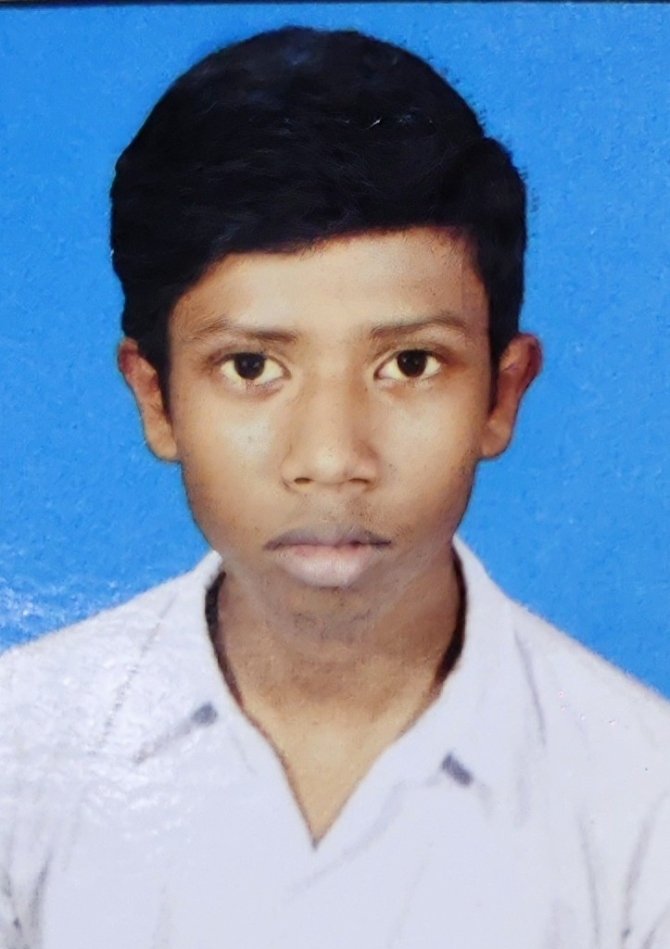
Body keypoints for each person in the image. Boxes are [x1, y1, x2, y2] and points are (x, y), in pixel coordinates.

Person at [1, 25, 668, 949]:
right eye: (250, 367)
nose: (331, 456)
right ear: (156, 399)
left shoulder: (643, 798)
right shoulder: (19, 754)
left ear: (502, 395)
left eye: (409, 363)